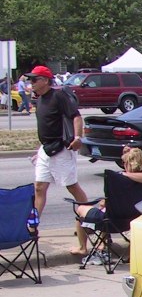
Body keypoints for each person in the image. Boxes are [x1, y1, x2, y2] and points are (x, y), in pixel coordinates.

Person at [25, 65, 88, 220]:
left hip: (62, 149)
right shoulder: (39, 100)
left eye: (34, 79)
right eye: (30, 80)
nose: (31, 83)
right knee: (39, 187)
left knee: (72, 186)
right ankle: (33, 224)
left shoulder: (58, 96)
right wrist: (40, 149)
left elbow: (76, 117)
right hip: (46, 149)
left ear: (46, 80)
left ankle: (88, 218)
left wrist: (78, 138)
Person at [72, 146, 142, 257]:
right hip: (135, 219)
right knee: (108, 210)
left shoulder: (119, 180)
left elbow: (106, 203)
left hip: (114, 222)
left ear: (128, 164)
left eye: (124, 163)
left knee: (81, 208)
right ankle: (103, 243)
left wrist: (103, 202)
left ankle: (82, 248)